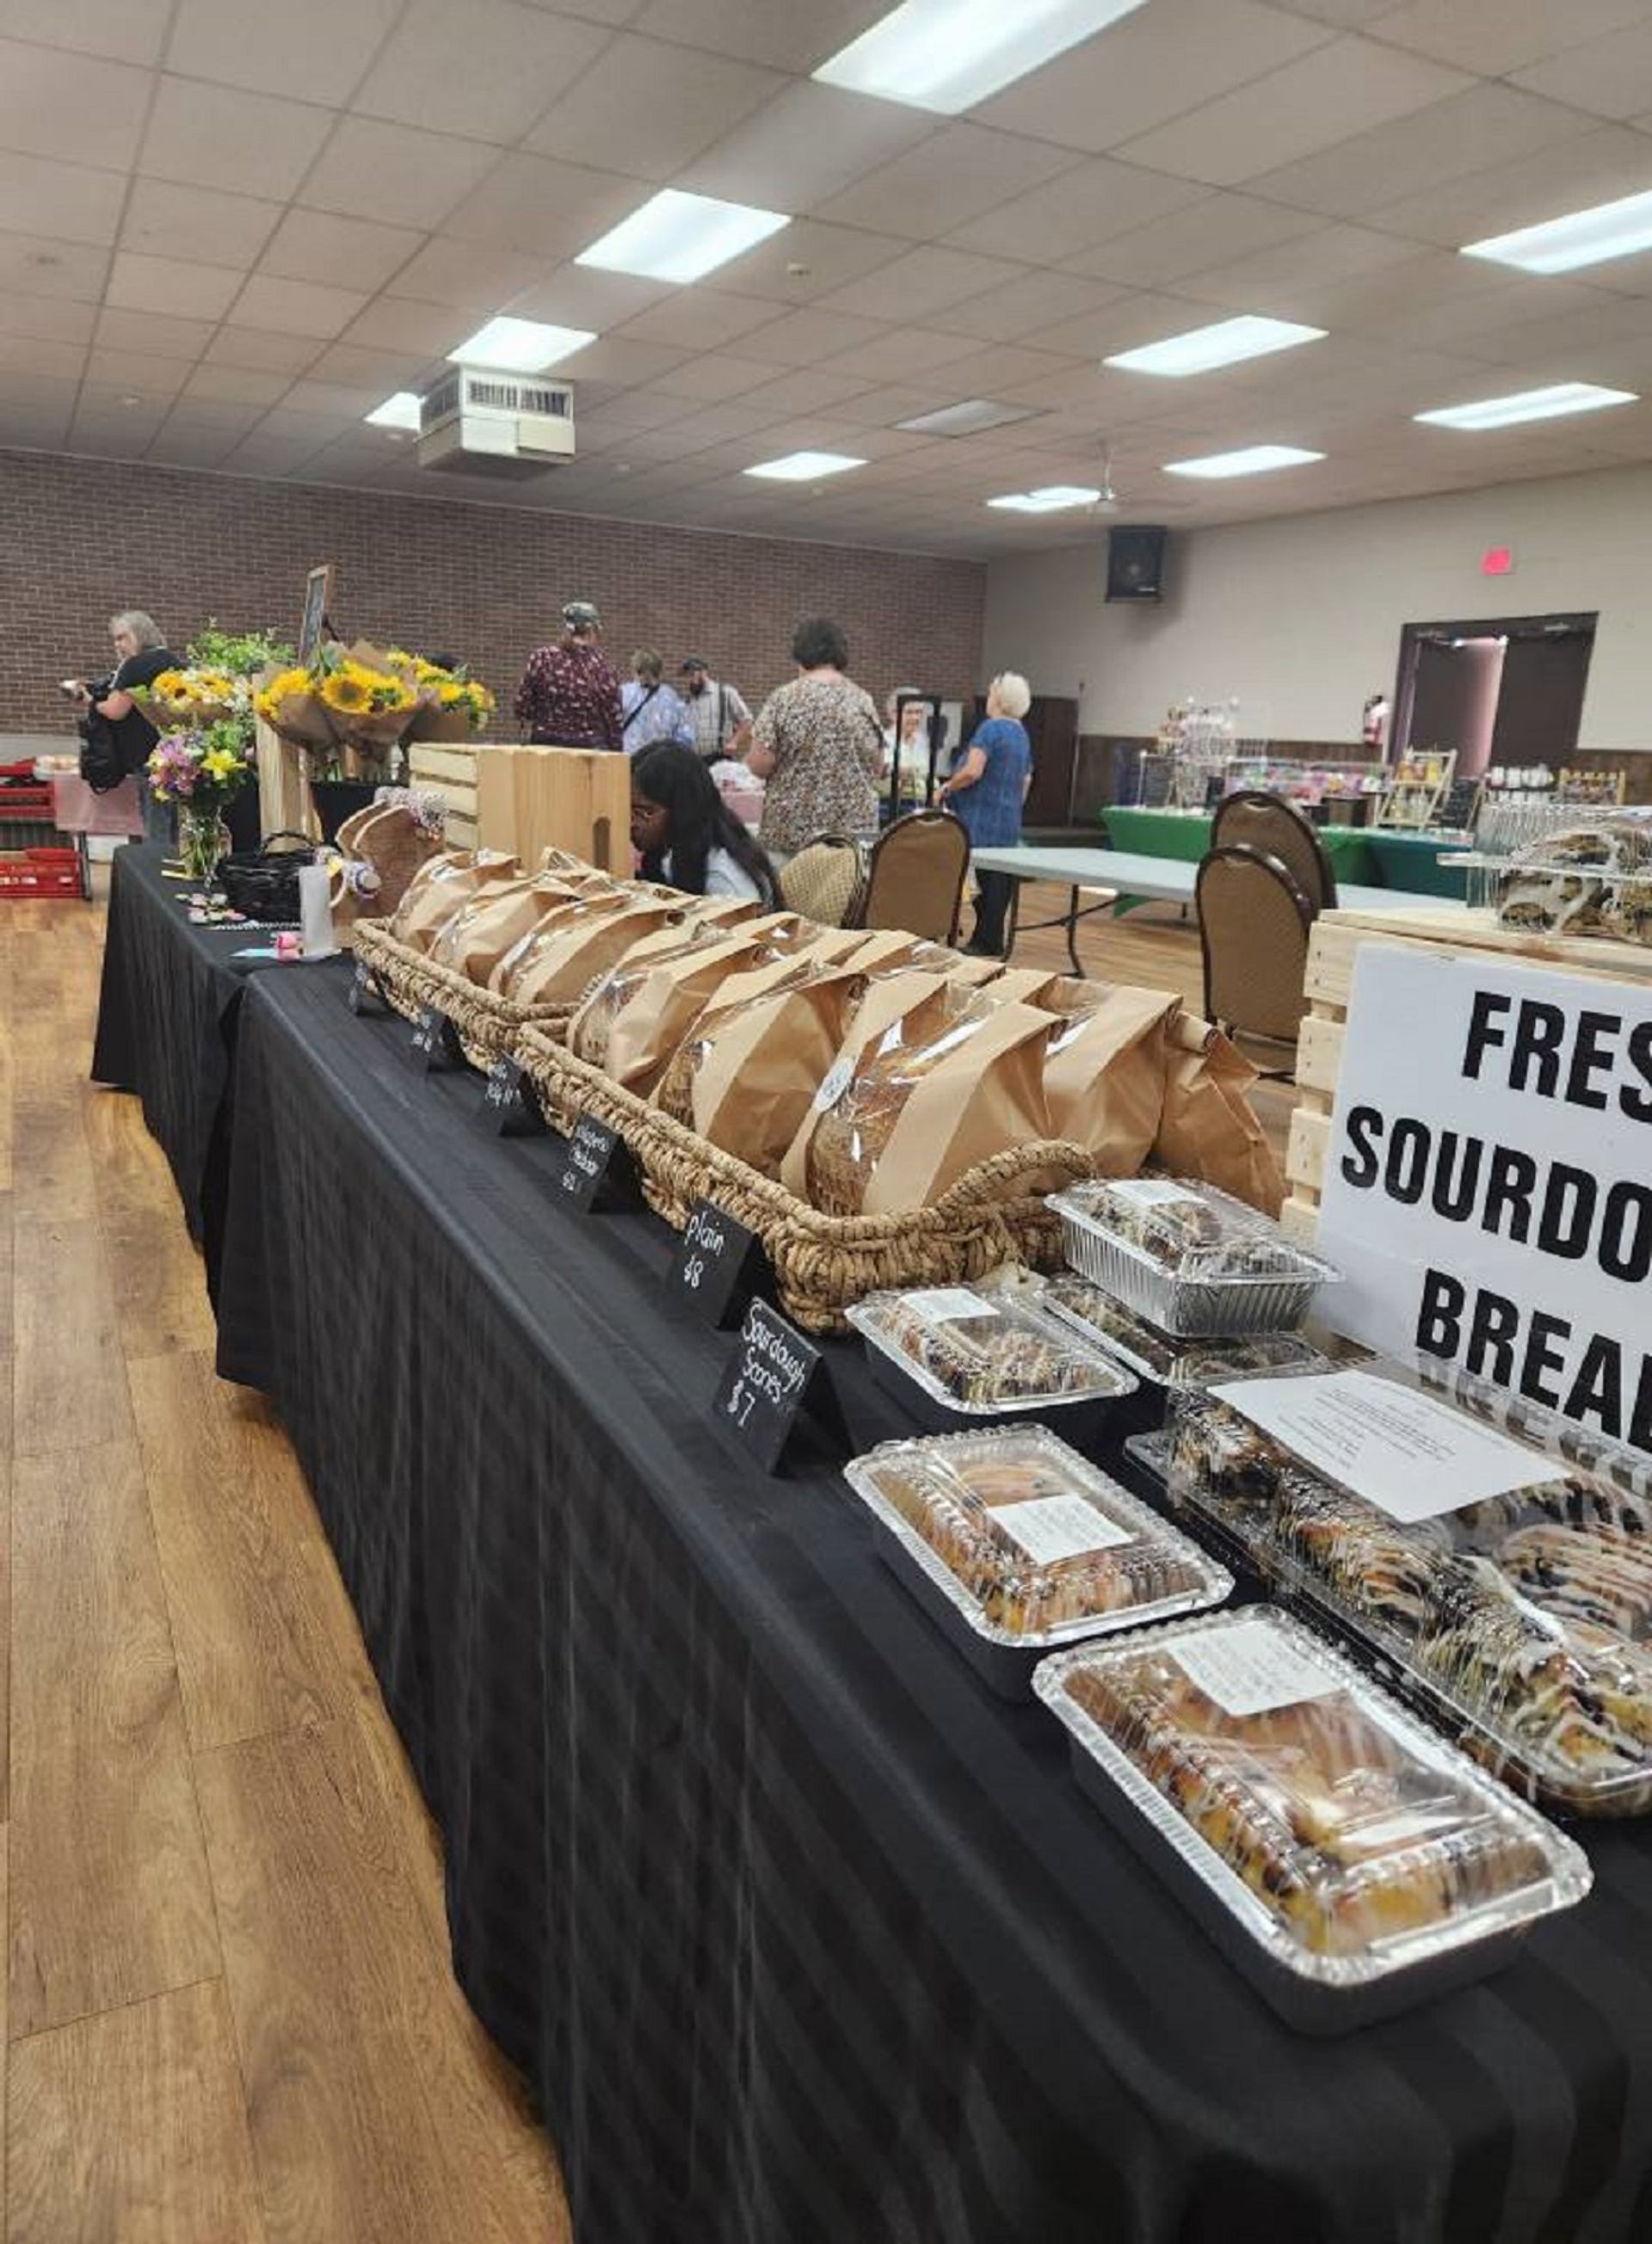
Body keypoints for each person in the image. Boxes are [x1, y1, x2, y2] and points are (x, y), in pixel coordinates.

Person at [746, 617, 883, 871]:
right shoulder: (863, 700)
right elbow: (877, 765)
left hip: (793, 837)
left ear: (800, 653)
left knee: (789, 908)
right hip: (850, 839)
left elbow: (759, 764)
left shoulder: (785, 699)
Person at [938, 671, 1034, 958]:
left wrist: (947, 787)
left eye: (992, 692)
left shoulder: (990, 729)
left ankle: (985, 939)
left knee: (979, 876)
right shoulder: (1021, 734)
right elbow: (1027, 779)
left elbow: (972, 770)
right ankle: (993, 936)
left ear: (1000, 698)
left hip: (980, 815)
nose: (989, 697)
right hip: (1008, 816)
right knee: (1000, 880)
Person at [68, 610, 179, 848]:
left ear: (140, 634)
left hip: (148, 757)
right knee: (175, 826)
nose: (117, 645)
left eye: (122, 638)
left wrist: (88, 700)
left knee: (155, 828)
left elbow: (116, 710)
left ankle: (154, 877)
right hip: (178, 753)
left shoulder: (135, 665)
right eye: (115, 639)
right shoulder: (171, 660)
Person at [630, 743, 779, 906]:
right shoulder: (674, 853)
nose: (631, 823)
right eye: (627, 809)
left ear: (682, 810)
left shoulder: (724, 880)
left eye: (645, 812)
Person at [513, 600, 623, 750]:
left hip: (544, 748)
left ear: (566, 628)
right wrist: (616, 750)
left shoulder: (542, 658)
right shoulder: (604, 668)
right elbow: (614, 718)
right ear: (593, 631)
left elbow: (521, 708)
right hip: (588, 753)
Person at [621, 649, 694, 755]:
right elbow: (686, 737)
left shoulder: (625, 693)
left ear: (638, 670)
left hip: (630, 761)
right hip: (659, 763)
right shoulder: (672, 697)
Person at [680, 656, 752, 764]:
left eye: (691, 675)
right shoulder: (688, 701)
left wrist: (734, 742)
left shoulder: (725, 693)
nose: (689, 680)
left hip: (720, 760)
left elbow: (747, 720)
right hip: (695, 763)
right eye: (687, 677)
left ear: (703, 672)